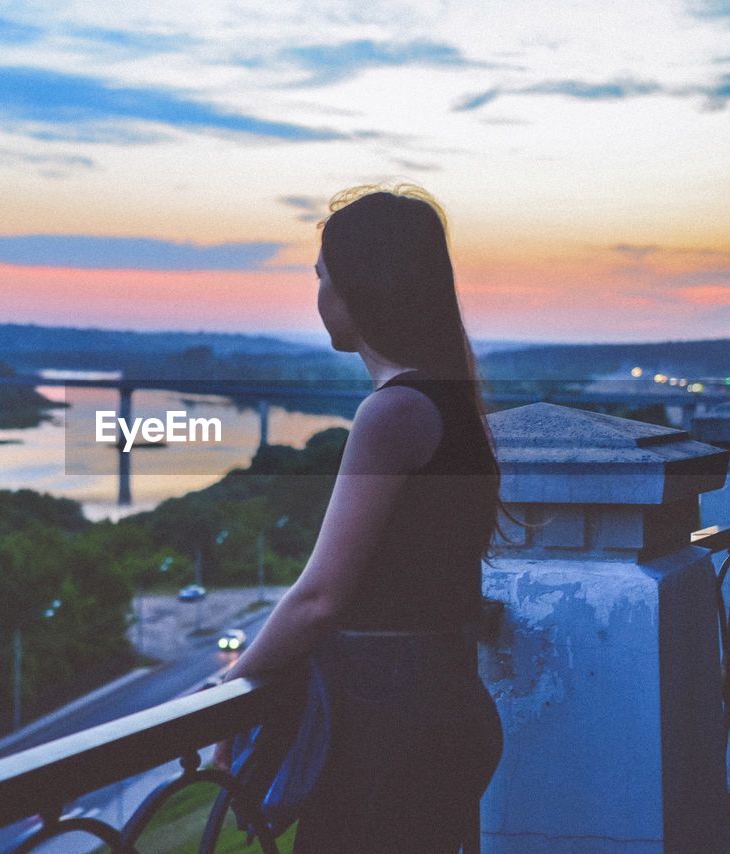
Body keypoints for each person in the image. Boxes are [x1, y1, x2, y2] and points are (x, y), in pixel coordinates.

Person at [210, 184, 509, 853]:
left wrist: (230, 687)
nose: (316, 295)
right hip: (442, 707)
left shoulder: (393, 413)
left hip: (387, 727)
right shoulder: (453, 404)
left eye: (321, 277)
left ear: (358, 287)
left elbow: (320, 598)